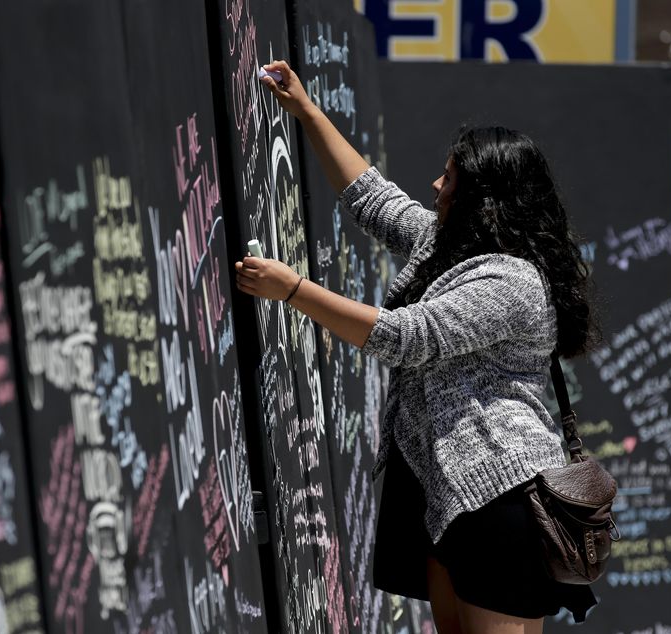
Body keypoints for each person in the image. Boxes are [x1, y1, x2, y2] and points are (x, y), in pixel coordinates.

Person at [236, 60, 599, 634]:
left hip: (497, 495)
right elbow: (372, 199)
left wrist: (294, 290)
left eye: (450, 178)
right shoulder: (447, 247)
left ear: (485, 198)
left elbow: (405, 337)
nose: (435, 185)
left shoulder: (510, 282)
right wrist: (305, 110)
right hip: (445, 493)